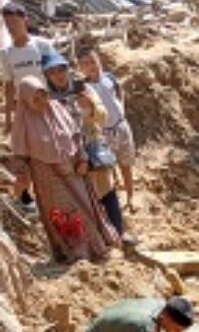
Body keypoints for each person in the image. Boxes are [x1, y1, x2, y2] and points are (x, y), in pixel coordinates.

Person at [9, 76, 118, 264]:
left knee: (85, 208)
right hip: (48, 179)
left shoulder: (58, 109)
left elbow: (76, 135)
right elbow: (19, 154)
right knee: (64, 215)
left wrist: (83, 159)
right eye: (35, 98)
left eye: (43, 95)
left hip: (75, 171)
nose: (41, 101)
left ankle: (97, 248)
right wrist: (22, 176)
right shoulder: (23, 120)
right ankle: (77, 254)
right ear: (25, 99)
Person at [77, 45, 136, 211]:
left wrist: (121, 108)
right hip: (103, 133)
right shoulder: (84, 88)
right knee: (108, 168)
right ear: (81, 68)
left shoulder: (109, 77)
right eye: (85, 63)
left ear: (99, 60)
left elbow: (118, 90)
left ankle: (130, 198)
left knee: (127, 163)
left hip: (122, 126)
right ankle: (114, 202)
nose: (91, 66)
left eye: (93, 61)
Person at [1, 1, 56, 136]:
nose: (10, 26)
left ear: (25, 20)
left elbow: (57, 75)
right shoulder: (6, 53)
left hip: (48, 104)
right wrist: (9, 118)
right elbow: (9, 87)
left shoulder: (43, 45)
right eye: (7, 22)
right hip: (24, 108)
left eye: (14, 21)